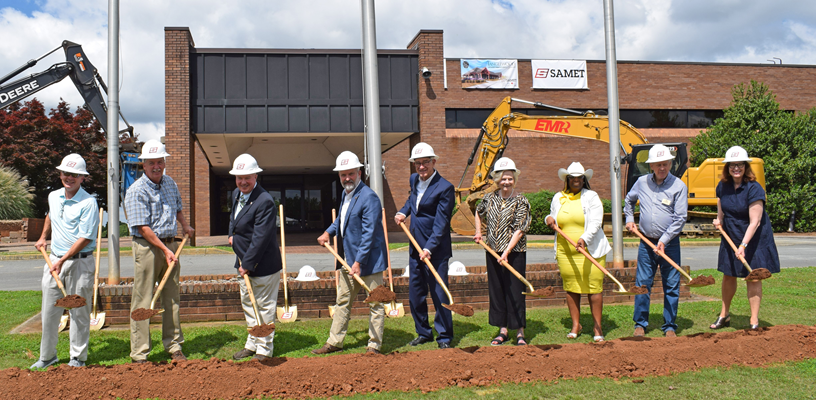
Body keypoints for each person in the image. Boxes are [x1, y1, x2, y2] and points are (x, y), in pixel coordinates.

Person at [124, 139, 194, 363]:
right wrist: (165, 250)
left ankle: (173, 345)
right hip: (148, 247)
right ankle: (140, 352)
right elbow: (143, 228)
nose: (156, 166)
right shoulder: (136, 191)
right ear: (143, 165)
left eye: (160, 161)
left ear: (164, 162)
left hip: (170, 244)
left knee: (171, 297)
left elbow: (178, 207)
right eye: (151, 162)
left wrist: (185, 225)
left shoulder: (170, 183)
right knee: (144, 299)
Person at [313, 151, 388, 355]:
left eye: (350, 174)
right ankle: (334, 342)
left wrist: (358, 262)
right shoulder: (347, 195)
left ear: (359, 173)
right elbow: (342, 221)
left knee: (375, 303)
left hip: (368, 262)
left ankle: (374, 345)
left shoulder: (369, 197)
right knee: (342, 301)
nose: (347, 178)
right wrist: (328, 232)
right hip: (349, 262)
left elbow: (369, 233)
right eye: (343, 174)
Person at [31, 154, 99, 369]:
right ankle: (47, 356)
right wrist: (43, 237)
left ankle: (77, 357)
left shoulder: (89, 202)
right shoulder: (54, 196)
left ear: (82, 178)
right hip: (54, 262)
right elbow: (50, 215)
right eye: (65, 173)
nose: (69, 177)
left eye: (74, 175)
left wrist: (63, 260)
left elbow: (86, 237)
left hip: (80, 263)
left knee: (78, 312)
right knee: (50, 311)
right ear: (60, 174)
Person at [710, 146, 780, 330]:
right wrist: (719, 219)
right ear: (727, 167)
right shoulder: (723, 186)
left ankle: (754, 321)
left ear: (746, 166)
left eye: (740, 164)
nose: (736, 168)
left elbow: (755, 222)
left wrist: (743, 245)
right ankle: (724, 315)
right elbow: (720, 201)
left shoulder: (754, 188)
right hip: (731, 234)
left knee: (754, 277)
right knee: (728, 274)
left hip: (754, 238)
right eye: (732, 165)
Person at [395, 143, 455, 349]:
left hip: (435, 251)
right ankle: (423, 332)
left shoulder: (445, 188)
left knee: (439, 294)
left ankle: (445, 336)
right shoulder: (414, 180)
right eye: (417, 163)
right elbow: (412, 200)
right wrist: (404, 212)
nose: (421, 167)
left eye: (425, 162)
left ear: (433, 162)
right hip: (415, 247)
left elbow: (441, 224)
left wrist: (429, 248)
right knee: (416, 294)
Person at [624, 144, 688, 337]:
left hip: (670, 244)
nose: (662, 168)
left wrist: (665, 240)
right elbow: (629, 200)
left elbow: (680, 218)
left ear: (670, 164)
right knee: (643, 283)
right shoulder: (642, 183)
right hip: (646, 242)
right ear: (651, 165)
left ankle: (669, 326)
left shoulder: (678, 186)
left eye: (666, 164)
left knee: (671, 284)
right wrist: (629, 219)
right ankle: (640, 324)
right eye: (658, 164)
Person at [545, 162, 611, 342]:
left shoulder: (591, 196)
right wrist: (548, 219)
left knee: (594, 288)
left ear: (584, 179)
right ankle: (576, 325)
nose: (576, 180)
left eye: (579, 178)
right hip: (566, 251)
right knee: (571, 288)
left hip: (590, 250)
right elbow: (552, 215)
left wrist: (584, 239)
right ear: (567, 179)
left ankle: (597, 328)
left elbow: (596, 222)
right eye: (572, 177)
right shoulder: (558, 197)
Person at [227, 154, 282, 361]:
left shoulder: (265, 201)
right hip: (243, 262)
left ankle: (264, 349)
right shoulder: (236, 193)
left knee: (264, 307)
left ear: (256, 176)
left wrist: (248, 265)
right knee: (249, 305)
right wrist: (231, 235)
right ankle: (252, 343)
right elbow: (233, 217)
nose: (243, 182)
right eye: (239, 177)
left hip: (263, 264)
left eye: (247, 177)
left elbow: (261, 237)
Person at [474, 157, 532, 346]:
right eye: (503, 178)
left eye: (510, 178)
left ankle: (520, 331)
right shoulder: (489, 198)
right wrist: (478, 232)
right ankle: (503, 330)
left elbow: (520, 228)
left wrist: (506, 252)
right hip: (493, 252)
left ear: (514, 179)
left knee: (515, 290)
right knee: (497, 290)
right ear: (497, 179)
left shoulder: (521, 201)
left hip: (514, 253)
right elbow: (478, 211)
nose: (506, 182)